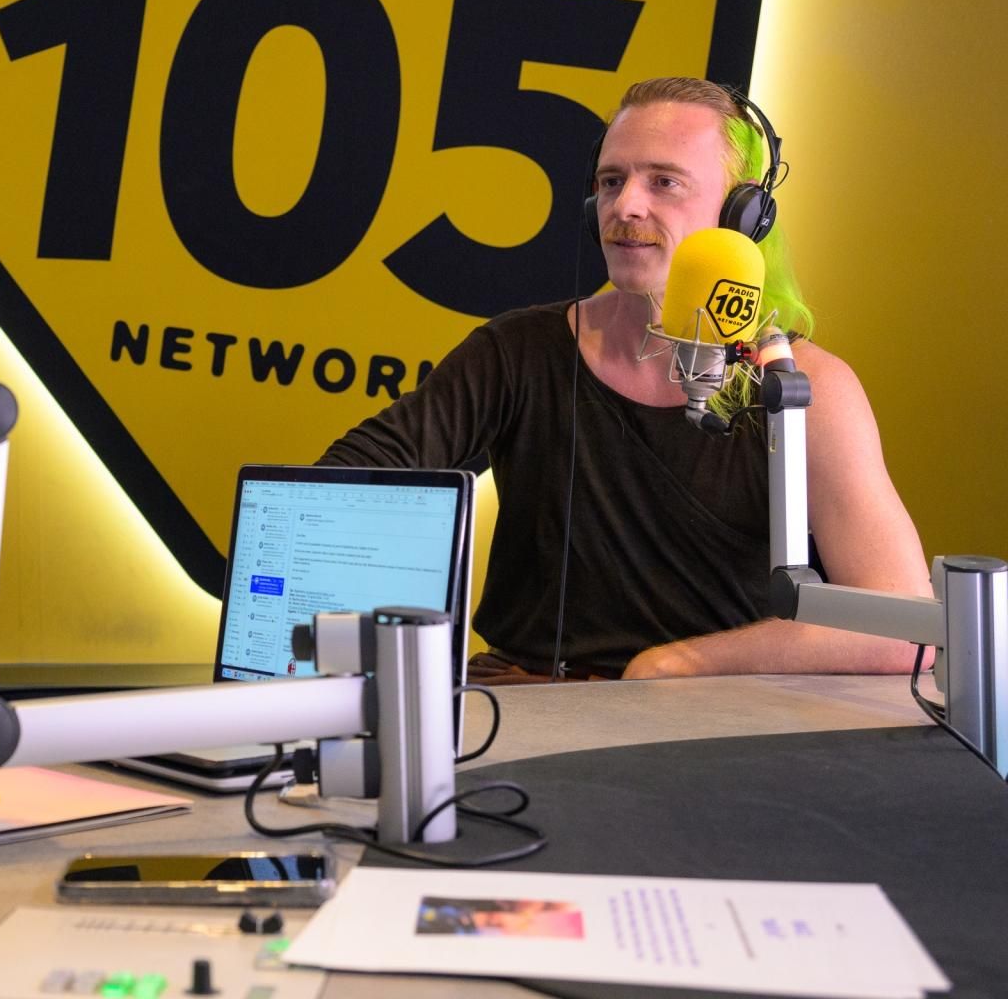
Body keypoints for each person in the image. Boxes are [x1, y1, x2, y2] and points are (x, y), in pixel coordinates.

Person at [320, 77, 930, 681]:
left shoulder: (801, 387)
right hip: (522, 701)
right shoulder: (518, 350)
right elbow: (343, 483)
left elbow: (906, 629)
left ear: (743, 214)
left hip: (710, 714)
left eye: (664, 181)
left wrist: (676, 664)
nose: (625, 206)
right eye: (612, 181)